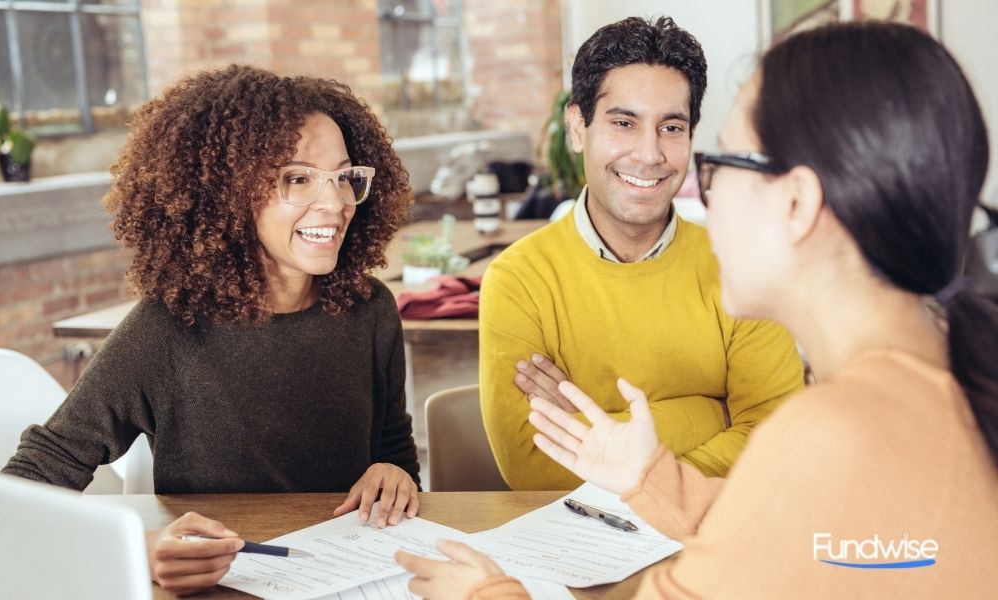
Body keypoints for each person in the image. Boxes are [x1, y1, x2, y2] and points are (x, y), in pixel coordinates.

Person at [398, 21, 998, 598]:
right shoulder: (931, 385)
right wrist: (649, 474)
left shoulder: (827, 437)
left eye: (723, 161)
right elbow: (790, 537)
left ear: (797, 202)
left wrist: (488, 593)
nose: (677, 174)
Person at [2, 64, 421, 595]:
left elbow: (394, 448)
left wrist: (394, 473)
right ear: (226, 195)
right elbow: (27, 486)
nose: (336, 202)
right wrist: (141, 550)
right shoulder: (164, 331)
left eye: (344, 176)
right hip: (222, 586)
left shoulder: (370, 309)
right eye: (296, 178)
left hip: (354, 579)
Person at [480, 16, 804, 490]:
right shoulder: (520, 279)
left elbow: (775, 437)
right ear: (577, 127)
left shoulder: (741, 264)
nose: (649, 154)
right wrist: (711, 413)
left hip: (715, 541)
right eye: (624, 123)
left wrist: (600, 435)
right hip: (576, 549)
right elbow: (534, 469)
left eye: (671, 127)